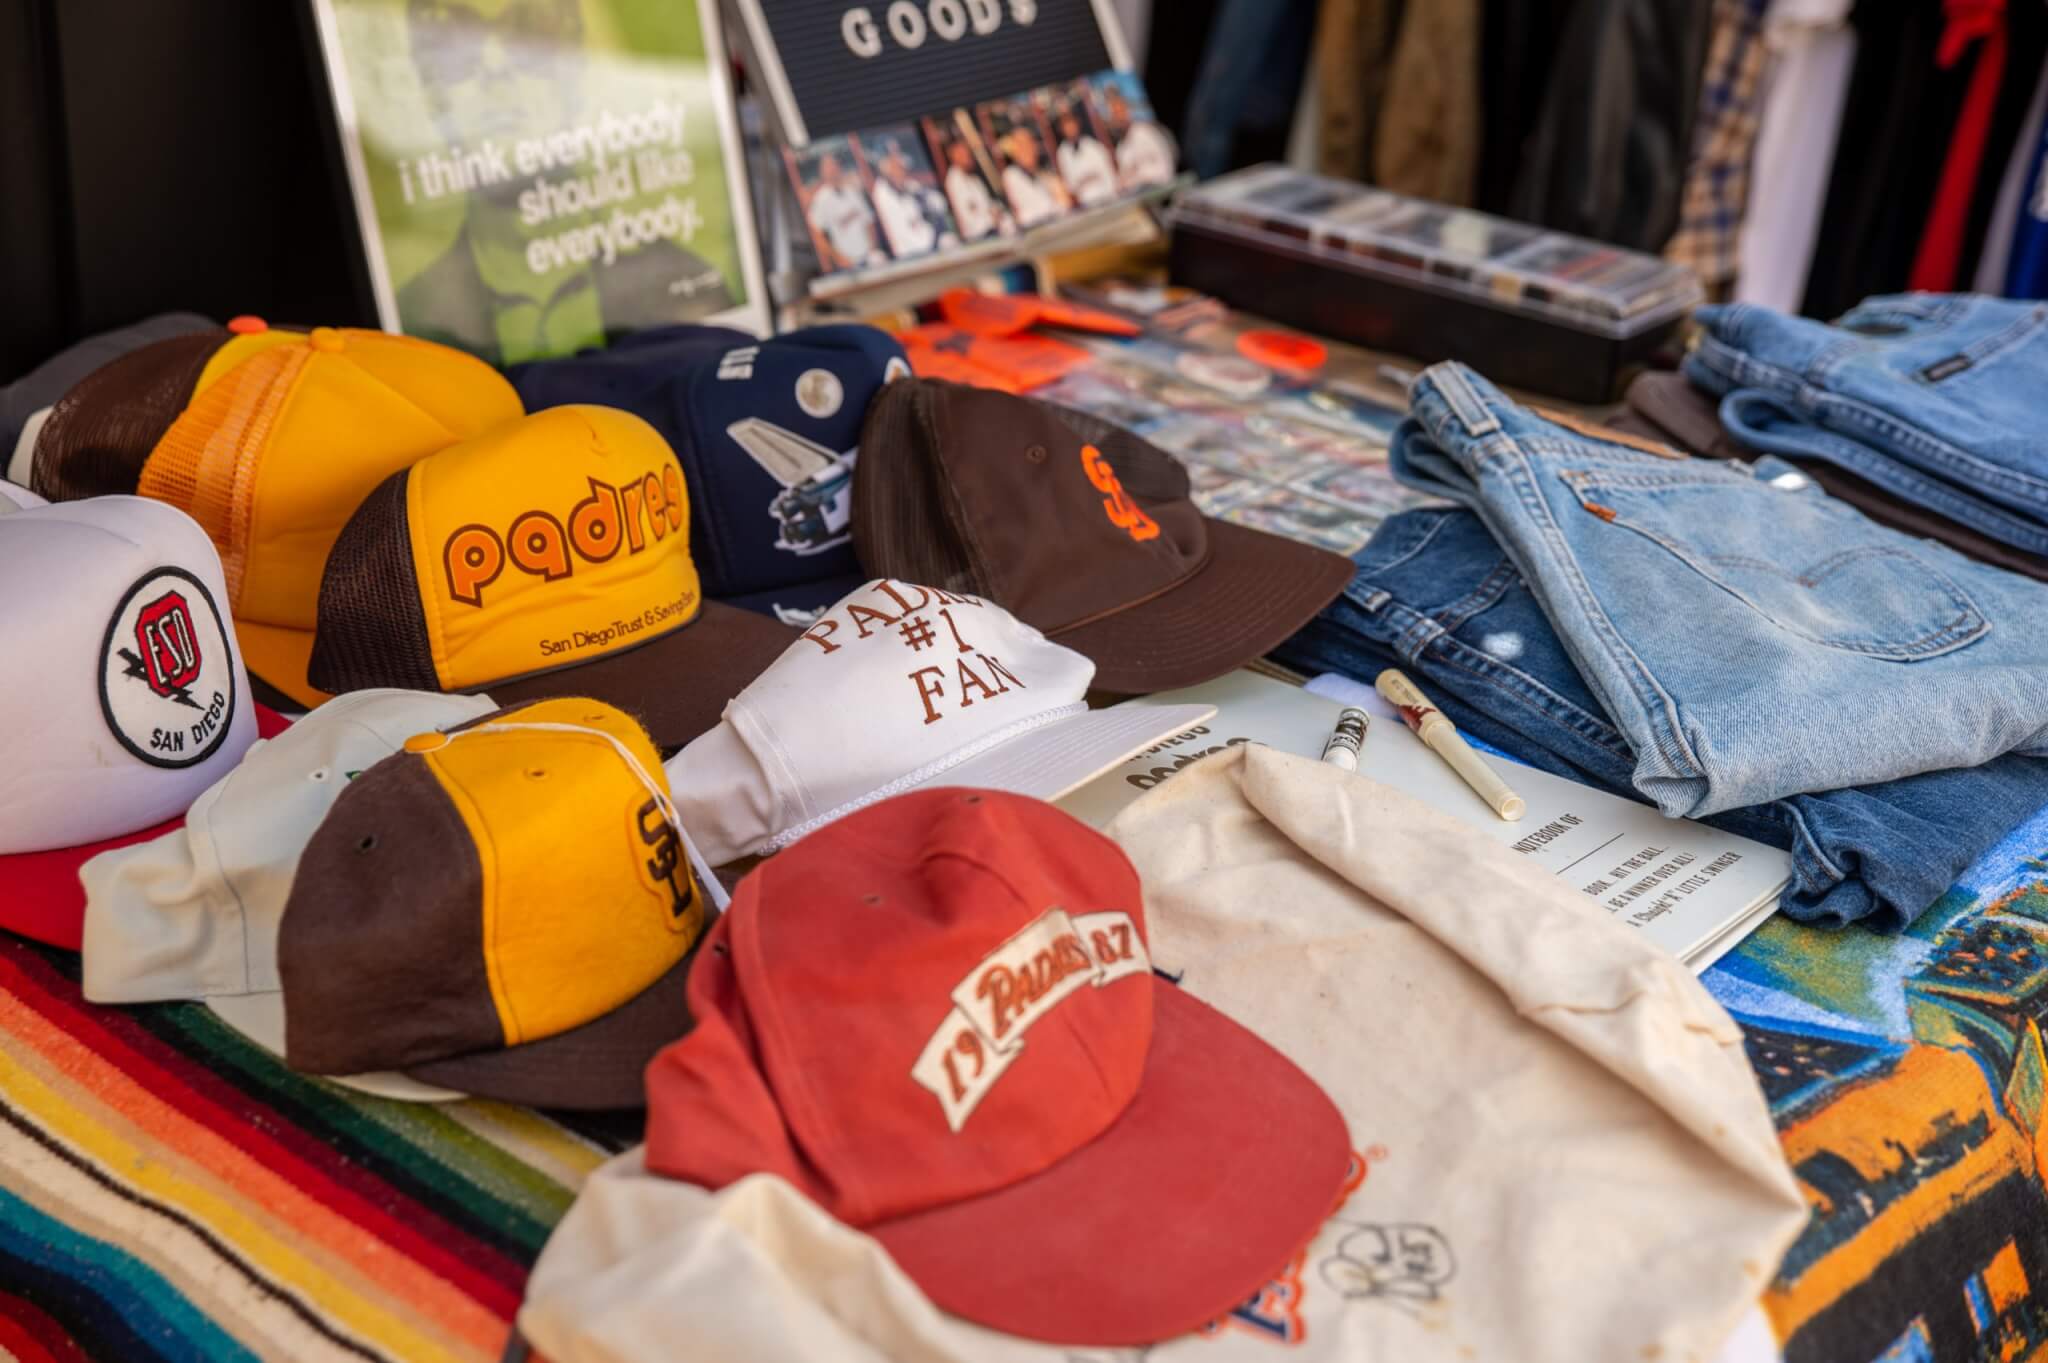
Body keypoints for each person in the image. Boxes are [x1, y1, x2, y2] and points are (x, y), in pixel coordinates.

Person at [395, 0, 732, 365]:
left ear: (574, 78)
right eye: (458, 57)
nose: (497, 76)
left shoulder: (686, 284)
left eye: (527, 41)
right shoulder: (413, 321)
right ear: (432, 97)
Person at [868, 143, 952, 258]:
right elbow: (903, 235)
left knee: (948, 240)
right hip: (908, 256)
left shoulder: (911, 186)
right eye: (896, 167)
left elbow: (939, 203)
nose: (902, 171)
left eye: (901, 167)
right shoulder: (881, 195)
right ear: (885, 169)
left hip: (929, 246)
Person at [804, 152, 885, 271]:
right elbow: (817, 236)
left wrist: (873, 248)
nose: (832, 171)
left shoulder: (852, 190)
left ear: (839, 167)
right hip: (849, 264)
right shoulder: (821, 199)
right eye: (828, 168)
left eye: (834, 166)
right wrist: (839, 259)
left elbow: (869, 221)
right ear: (823, 173)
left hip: (869, 257)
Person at [1104, 86, 1177, 190]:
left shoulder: (1144, 132)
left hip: (1160, 187)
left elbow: (1165, 163)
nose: (1119, 118)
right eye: (1114, 115)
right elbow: (1125, 181)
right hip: (1141, 194)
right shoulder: (1121, 149)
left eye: (1120, 111)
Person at [940, 135, 1009, 241]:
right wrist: (992, 219)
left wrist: (996, 212)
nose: (968, 157)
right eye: (962, 154)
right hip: (978, 237)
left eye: (968, 153)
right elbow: (970, 218)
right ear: (953, 157)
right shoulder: (954, 181)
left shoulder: (974, 179)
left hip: (993, 229)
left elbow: (989, 205)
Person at [1053, 103, 1118, 207]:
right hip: (1084, 205)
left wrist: (1113, 197)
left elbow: (1109, 173)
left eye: (1071, 123)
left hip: (1106, 198)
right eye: (1065, 125)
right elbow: (1069, 185)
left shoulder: (1093, 146)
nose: (1069, 128)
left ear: (1077, 124)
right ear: (1061, 129)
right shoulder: (1062, 154)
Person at [999, 129, 1064, 227]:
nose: (1027, 149)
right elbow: (1016, 212)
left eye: (1029, 144)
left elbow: (1062, 202)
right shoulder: (1010, 175)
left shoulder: (1044, 174)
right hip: (1032, 227)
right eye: (1021, 146)